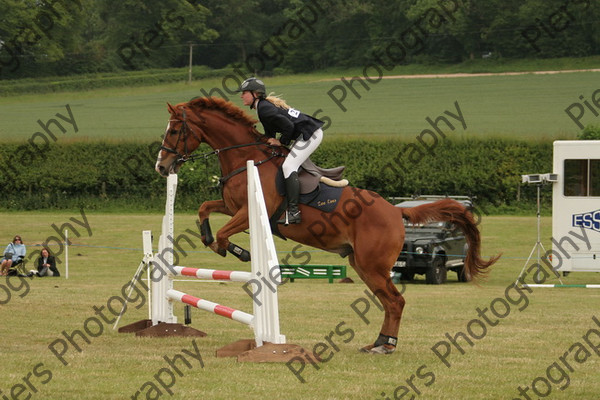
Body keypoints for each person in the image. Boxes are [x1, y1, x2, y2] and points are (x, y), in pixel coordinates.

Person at [237, 77, 324, 225]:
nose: (241, 96)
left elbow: (288, 127)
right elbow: (270, 133)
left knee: (289, 166)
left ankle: (294, 211)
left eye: (245, 92)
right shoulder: (262, 107)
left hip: (310, 135)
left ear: (255, 94)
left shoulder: (264, 109)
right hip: (305, 134)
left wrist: (281, 142)